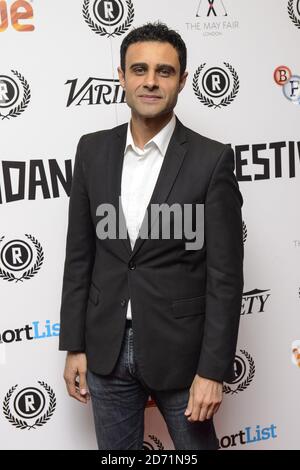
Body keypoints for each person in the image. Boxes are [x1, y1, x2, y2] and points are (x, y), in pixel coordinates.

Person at [59, 22, 244, 450]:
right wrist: (75, 345)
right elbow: (80, 256)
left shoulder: (211, 160)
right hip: (105, 350)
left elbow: (225, 277)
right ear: (121, 77)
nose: (150, 81)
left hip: (182, 353)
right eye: (139, 69)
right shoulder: (91, 150)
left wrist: (213, 371)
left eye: (164, 71)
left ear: (182, 79)